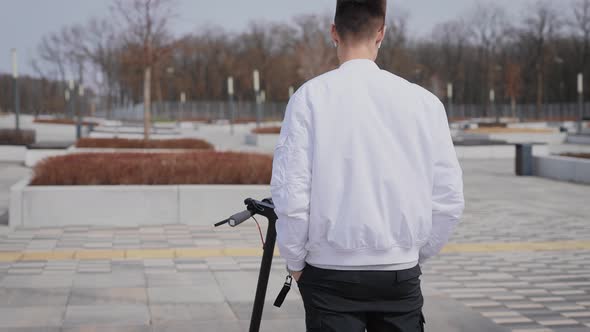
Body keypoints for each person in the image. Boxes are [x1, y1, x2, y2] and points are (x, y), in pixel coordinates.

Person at [270, 0, 465, 331]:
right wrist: (414, 255)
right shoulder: (424, 103)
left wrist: (295, 261)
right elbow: (448, 200)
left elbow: (291, 193)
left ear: (333, 32)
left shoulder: (310, 97)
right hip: (398, 272)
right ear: (382, 33)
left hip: (329, 271)